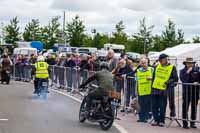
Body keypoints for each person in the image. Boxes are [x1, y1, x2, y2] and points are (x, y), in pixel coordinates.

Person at [151, 54, 178, 127]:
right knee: (154, 105)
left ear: (166, 59)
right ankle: (156, 120)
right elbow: (154, 77)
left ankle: (161, 121)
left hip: (164, 89)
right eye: (160, 60)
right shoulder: (157, 66)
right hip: (155, 88)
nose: (160, 61)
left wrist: (167, 82)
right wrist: (152, 87)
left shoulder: (172, 67)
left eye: (162, 60)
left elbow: (175, 78)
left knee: (162, 105)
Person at [180, 57, 200, 129]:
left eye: (191, 63)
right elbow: (183, 80)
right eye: (188, 63)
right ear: (185, 63)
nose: (190, 64)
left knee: (194, 108)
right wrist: (188, 72)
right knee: (185, 107)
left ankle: (192, 123)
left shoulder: (197, 69)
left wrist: (197, 82)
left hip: (195, 92)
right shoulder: (182, 71)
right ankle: (185, 123)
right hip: (186, 92)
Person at [136, 57, 153, 123]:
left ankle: (147, 117)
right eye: (142, 63)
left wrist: (151, 78)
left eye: (144, 63)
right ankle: (141, 118)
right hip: (141, 90)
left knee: (148, 104)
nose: (143, 64)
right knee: (141, 104)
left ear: (147, 63)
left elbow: (155, 78)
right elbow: (136, 81)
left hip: (149, 90)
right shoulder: (138, 70)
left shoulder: (152, 69)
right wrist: (136, 90)